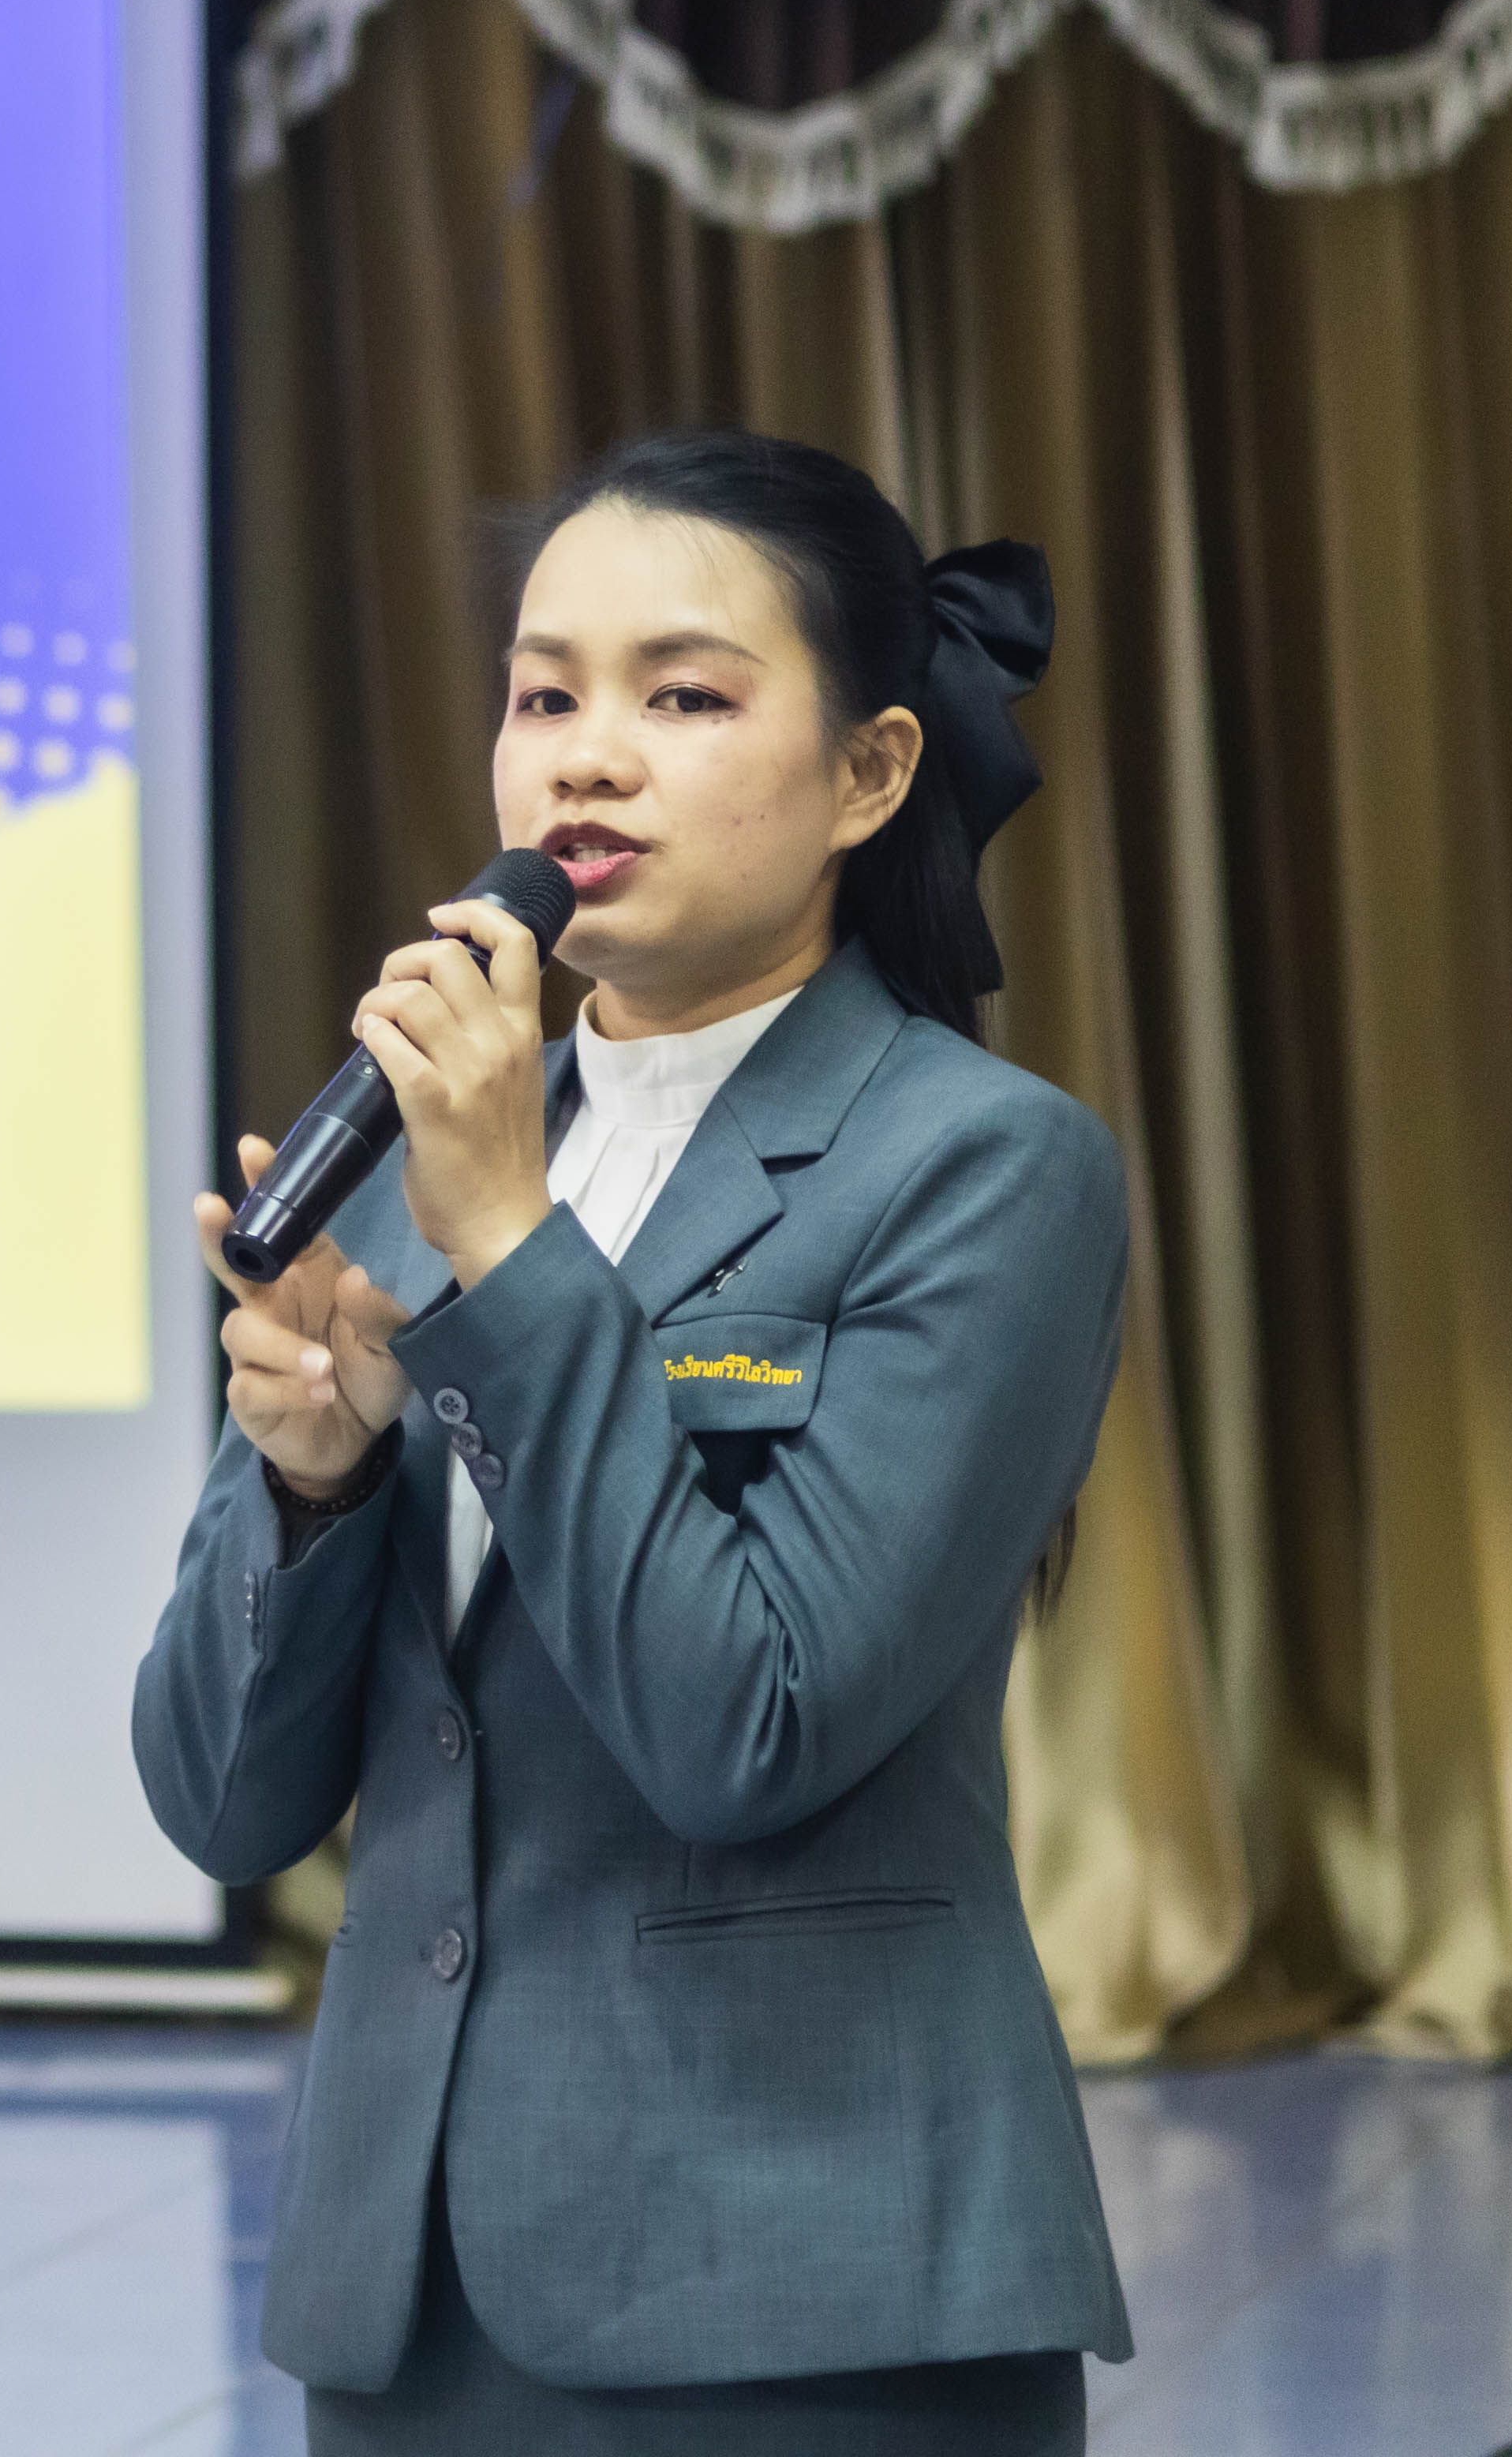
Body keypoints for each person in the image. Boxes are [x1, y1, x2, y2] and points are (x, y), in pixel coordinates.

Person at [136, 430, 1127, 2450]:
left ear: (871, 771)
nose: (585, 758)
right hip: (408, 2305)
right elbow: (224, 1805)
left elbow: (743, 1726)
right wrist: (315, 1484)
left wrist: (517, 1247)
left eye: (682, 696)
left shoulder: (983, 1167)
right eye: (542, 696)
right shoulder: (413, 1172)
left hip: (808, 2295)